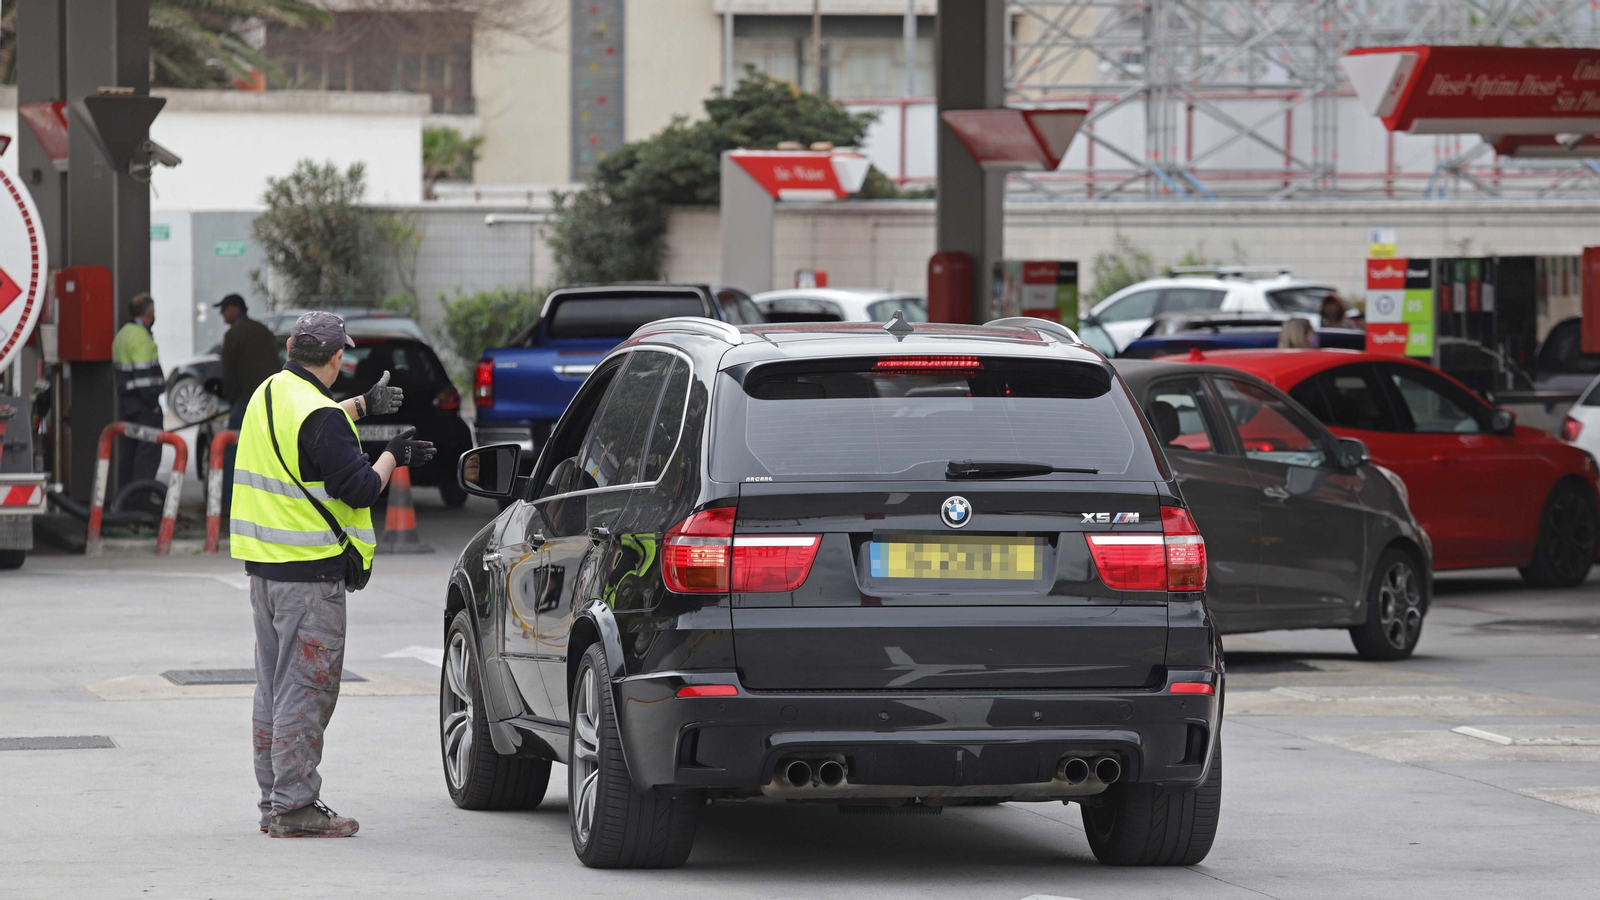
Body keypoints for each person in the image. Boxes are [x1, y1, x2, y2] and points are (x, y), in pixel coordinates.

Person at [230, 311, 436, 838]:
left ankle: (273, 803)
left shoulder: (268, 393)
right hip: (309, 579)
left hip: (265, 575)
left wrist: (362, 405)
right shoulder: (318, 416)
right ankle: (296, 807)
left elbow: (308, 425)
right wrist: (393, 455)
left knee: (273, 690)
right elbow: (362, 488)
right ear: (336, 357)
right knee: (307, 688)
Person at [216, 294, 282, 514]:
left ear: (235, 308)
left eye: (224, 309)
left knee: (230, 451)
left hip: (246, 401)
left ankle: (226, 504)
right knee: (267, 454)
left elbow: (229, 374)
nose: (221, 313)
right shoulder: (263, 330)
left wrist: (231, 399)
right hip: (272, 400)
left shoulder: (234, 334)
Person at [110, 293, 164, 490]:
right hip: (144, 407)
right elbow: (143, 379)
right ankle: (140, 504)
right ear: (149, 314)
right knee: (147, 457)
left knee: (130, 454)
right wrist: (153, 405)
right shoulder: (140, 337)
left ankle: (125, 503)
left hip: (128, 404)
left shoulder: (122, 334)